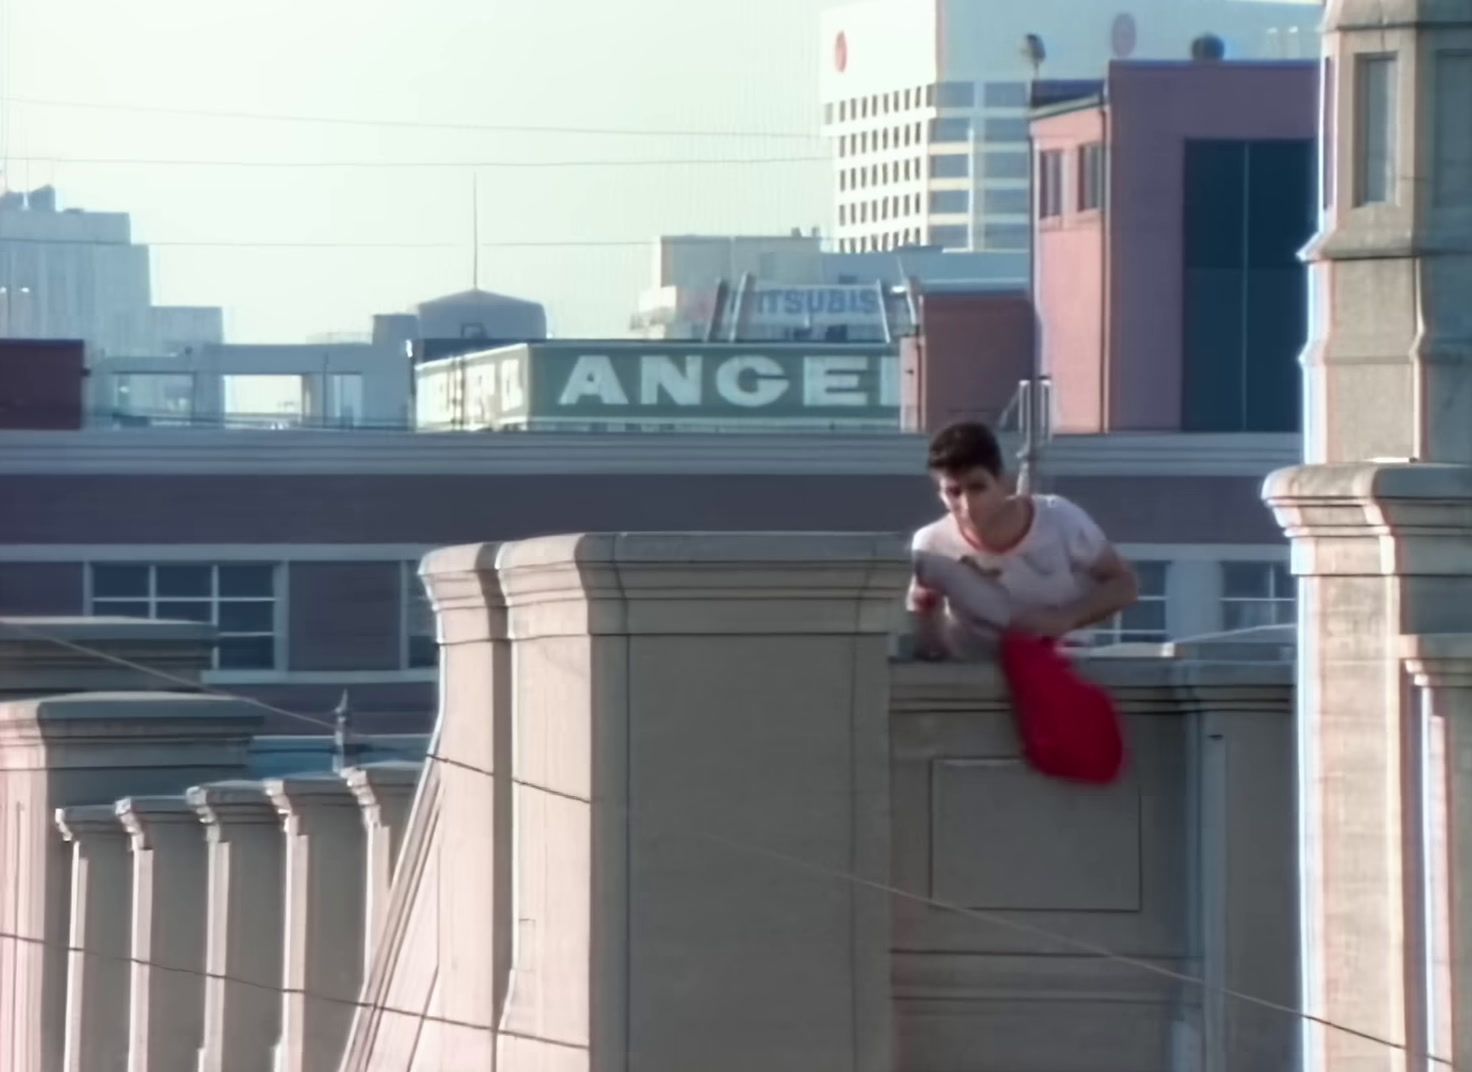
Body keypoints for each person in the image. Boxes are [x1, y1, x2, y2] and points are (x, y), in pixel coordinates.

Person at [908, 420, 1138, 660]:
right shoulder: (931, 546)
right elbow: (925, 621)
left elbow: (1125, 584)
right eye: (953, 492)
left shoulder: (1060, 519)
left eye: (977, 487)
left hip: (1059, 667)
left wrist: (1065, 618)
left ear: (1003, 481)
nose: (967, 505)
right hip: (977, 678)